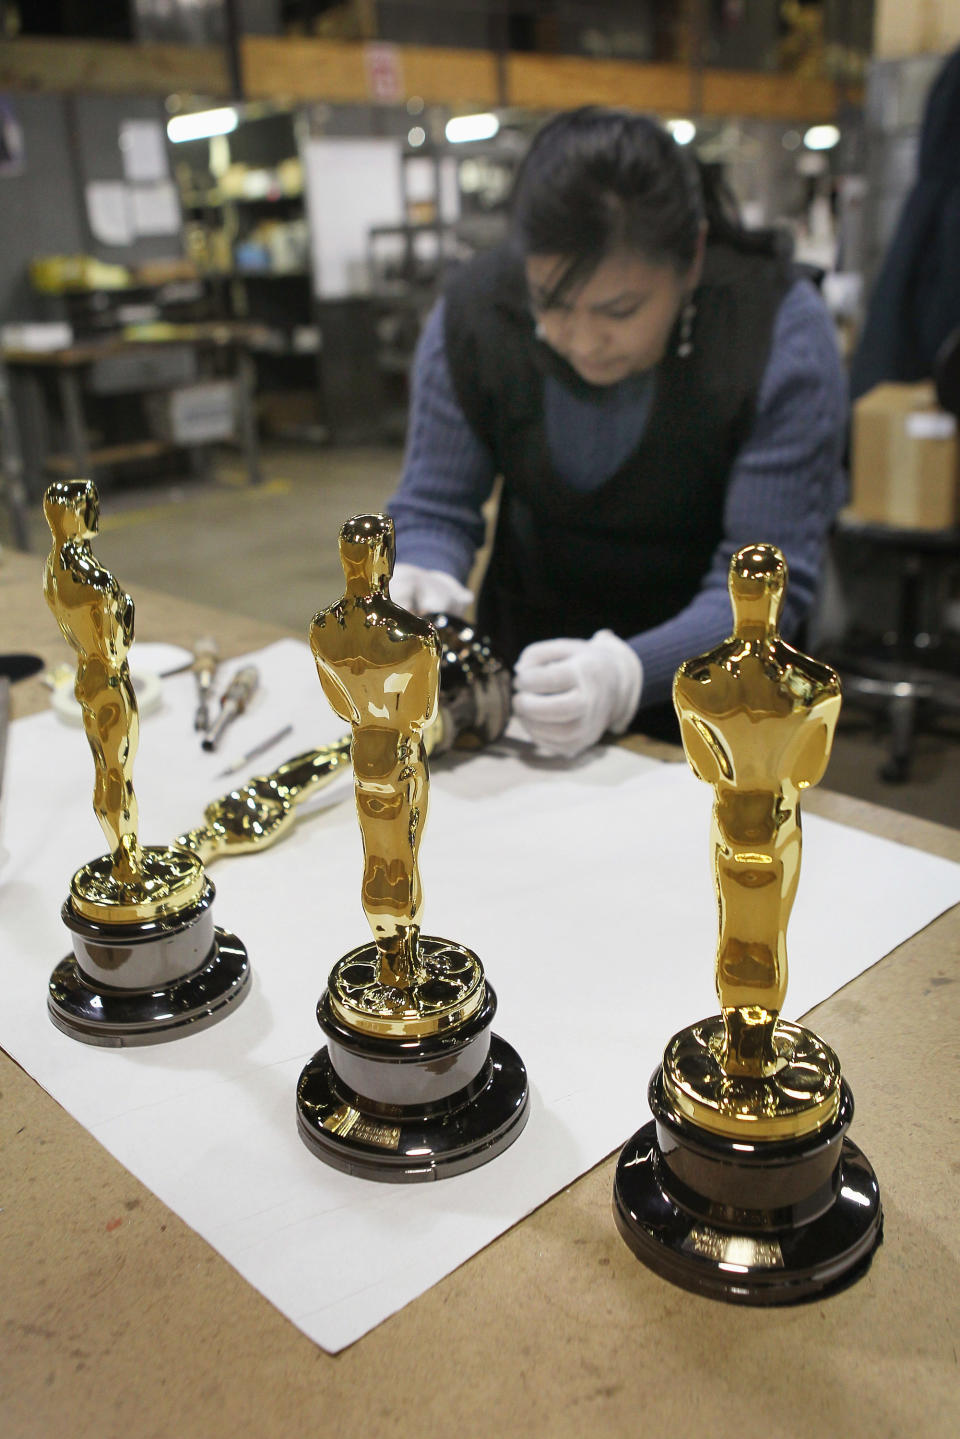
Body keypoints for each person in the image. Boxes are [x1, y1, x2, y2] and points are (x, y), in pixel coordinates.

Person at [387, 107, 847, 756]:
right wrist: (419, 571)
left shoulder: (776, 334)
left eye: (619, 310)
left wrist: (628, 675)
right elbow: (436, 502)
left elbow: (764, 590)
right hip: (525, 693)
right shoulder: (476, 314)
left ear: (690, 260)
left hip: (714, 703)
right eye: (551, 302)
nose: (581, 340)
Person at [673, 543, 841, 1077]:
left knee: (736, 932)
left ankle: (738, 1037)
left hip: (729, 823)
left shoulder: (695, 681)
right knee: (768, 934)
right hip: (777, 825)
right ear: (778, 592)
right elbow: (809, 771)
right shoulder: (816, 686)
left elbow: (703, 768)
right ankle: (758, 1042)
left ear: (733, 591)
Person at [309, 514, 441, 992]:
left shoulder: (322, 628)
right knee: (403, 855)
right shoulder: (415, 636)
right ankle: (403, 960)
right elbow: (422, 714)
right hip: (400, 754)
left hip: (362, 749)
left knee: (378, 855)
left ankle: (389, 953)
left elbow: (338, 703)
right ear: (385, 557)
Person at [43, 478, 143, 885]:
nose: (95, 513)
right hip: (108, 674)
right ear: (71, 515)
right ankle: (127, 864)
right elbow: (117, 642)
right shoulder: (94, 579)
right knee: (117, 772)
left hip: (86, 672)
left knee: (105, 768)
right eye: (89, 507)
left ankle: (122, 855)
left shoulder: (54, 567)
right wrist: (126, 607)